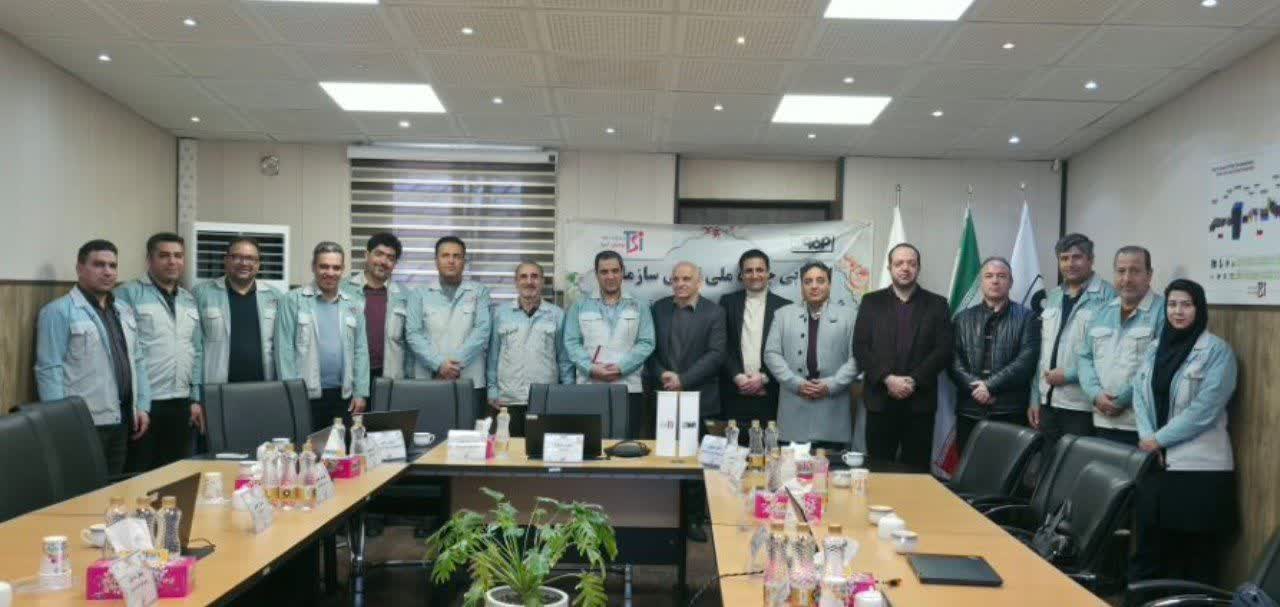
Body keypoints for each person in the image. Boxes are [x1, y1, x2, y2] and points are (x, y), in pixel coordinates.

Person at [1129, 279, 1237, 584]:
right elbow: (1139, 393)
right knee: (1151, 550)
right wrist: (1148, 439)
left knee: (1195, 560)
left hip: (1198, 470)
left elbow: (1204, 410)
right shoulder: (1155, 348)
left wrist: (1157, 440)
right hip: (1157, 465)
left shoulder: (1217, 351)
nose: (1178, 311)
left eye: (1187, 305)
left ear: (1199, 308)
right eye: (1172, 304)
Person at [36, 240, 150, 475]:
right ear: (80, 268)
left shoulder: (124, 310)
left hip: (123, 419)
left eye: (112, 265)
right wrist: (60, 420)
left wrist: (142, 406)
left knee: (115, 487)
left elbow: (137, 360)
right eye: (99, 264)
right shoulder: (58, 311)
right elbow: (49, 369)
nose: (107, 272)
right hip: (83, 423)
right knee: (84, 488)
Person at [853, 243, 952, 472]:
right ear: (890, 268)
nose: (905, 268)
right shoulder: (871, 302)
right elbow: (860, 347)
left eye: (911, 263)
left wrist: (912, 380)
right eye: (899, 263)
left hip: (920, 403)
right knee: (878, 471)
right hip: (880, 401)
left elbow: (944, 349)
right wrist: (888, 379)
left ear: (918, 268)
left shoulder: (937, 304)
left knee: (916, 473)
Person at [113, 233, 201, 469]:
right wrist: (138, 403)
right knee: (141, 472)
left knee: (176, 472)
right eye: (164, 255)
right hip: (146, 402)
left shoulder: (188, 299)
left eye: (178, 256)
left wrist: (195, 398)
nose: (172, 261)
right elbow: (122, 351)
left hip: (181, 401)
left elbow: (197, 350)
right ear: (149, 260)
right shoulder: (127, 294)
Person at [1029, 233, 1116, 446]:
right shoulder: (1054, 296)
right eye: (1064, 258)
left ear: (1090, 259)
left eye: (1077, 257)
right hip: (1048, 403)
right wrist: (1035, 398)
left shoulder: (1109, 297)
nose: (1070, 264)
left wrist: (1069, 375)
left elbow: (1110, 356)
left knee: (1076, 464)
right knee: (1048, 463)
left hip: (1082, 405)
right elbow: (1042, 353)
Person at [763, 261, 858, 451]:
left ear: (830, 284)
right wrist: (795, 383)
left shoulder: (850, 316)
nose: (814, 286)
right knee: (791, 467)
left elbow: (857, 358)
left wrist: (831, 385)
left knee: (830, 467)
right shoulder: (783, 315)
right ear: (801, 286)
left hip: (833, 409)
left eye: (820, 280)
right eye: (808, 281)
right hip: (793, 407)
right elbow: (771, 354)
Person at [949, 257, 1040, 454]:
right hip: (970, 410)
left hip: (1010, 411)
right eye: (989, 276)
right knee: (968, 468)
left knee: (1008, 468)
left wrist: (990, 386)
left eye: (1001, 276)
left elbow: (1027, 361)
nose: (995, 281)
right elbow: (952, 360)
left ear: (1011, 282)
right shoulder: (962, 319)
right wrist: (976, 388)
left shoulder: (1028, 318)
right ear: (981, 282)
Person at [276, 242, 370, 431]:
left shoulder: (354, 304)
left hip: (344, 396)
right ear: (313, 267)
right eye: (324, 266)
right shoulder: (292, 300)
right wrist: (291, 394)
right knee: (306, 447)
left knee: (341, 446)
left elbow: (361, 350)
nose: (330, 272)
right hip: (305, 395)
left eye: (336, 267)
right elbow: (283, 351)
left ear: (342, 269)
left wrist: (360, 392)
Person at [563, 250, 655, 437]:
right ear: (596, 274)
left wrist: (621, 368)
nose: (610, 276)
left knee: (626, 445)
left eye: (615, 271)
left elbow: (646, 342)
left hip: (628, 388)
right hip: (589, 387)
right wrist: (591, 368)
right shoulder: (579, 306)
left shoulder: (639, 306)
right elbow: (571, 343)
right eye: (604, 272)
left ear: (622, 272)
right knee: (590, 444)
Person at [1078, 246, 1164, 446]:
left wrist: (1122, 400)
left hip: (1142, 427)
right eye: (1121, 271)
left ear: (1149, 275)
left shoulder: (1163, 312)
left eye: (1135, 271)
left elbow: (1159, 366)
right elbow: (1084, 357)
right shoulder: (1101, 312)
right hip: (1100, 422)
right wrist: (1095, 394)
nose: (1127, 278)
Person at [406, 236, 492, 416]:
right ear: (436, 260)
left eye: (457, 256)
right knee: (429, 430)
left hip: (470, 381)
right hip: (429, 380)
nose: (451, 260)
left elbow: (482, 331)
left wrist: (452, 367)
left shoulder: (479, 292)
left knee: (469, 431)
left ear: (464, 261)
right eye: (445, 255)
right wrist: (438, 364)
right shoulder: (419, 294)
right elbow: (413, 334)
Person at [487, 261, 573, 437]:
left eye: (534, 276)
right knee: (510, 450)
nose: (529, 281)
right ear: (516, 281)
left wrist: (567, 391)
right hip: (509, 399)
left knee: (543, 450)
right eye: (523, 277)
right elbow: (493, 356)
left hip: (546, 397)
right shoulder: (500, 314)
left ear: (542, 281)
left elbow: (564, 358)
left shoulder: (557, 315)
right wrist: (492, 389)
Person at [719, 249, 791, 427]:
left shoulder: (785, 307)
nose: (754, 275)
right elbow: (722, 345)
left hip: (771, 393)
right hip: (734, 392)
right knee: (734, 443)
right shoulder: (727, 302)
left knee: (770, 443)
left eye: (759, 270)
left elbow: (788, 350)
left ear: (768, 273)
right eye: (748, 271)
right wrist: (737, 376)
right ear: (741, 275)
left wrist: (764, 378)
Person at [647, 261, 728, 419]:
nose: (680, 284)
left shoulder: (715, 312)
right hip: (664, 394)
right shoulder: (659, 308)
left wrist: (682, 380)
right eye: (675, 279)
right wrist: (661, 374)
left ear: (699, 283)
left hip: (700, 398)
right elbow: (649, 347)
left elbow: (716, 354)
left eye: (686, 279)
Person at [341, 232, 413, 384]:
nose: (383, 261)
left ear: (395, 263)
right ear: (367, 255)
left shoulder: (405, 296)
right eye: (379, 254)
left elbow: (410, 343)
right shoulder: (343, 290)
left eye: (390, 258)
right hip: (350, 375)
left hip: (390, 377)